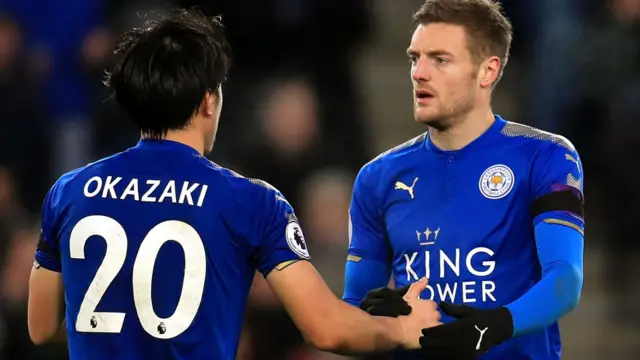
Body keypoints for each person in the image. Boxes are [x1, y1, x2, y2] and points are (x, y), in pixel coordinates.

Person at [26, 9, 441, 360]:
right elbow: (327, 330)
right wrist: (402, 330)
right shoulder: (250, 200)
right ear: (209, 101)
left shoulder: (70, 190)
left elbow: (41, 327)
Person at [342, 0, 584, 359]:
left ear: (487, 71)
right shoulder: (377, 177)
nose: (419, 73)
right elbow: (355, 306)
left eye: (440, 60)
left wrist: (495, 325)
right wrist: (378, 318)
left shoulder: (546, 156)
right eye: (414, 58)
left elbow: (565, 281)